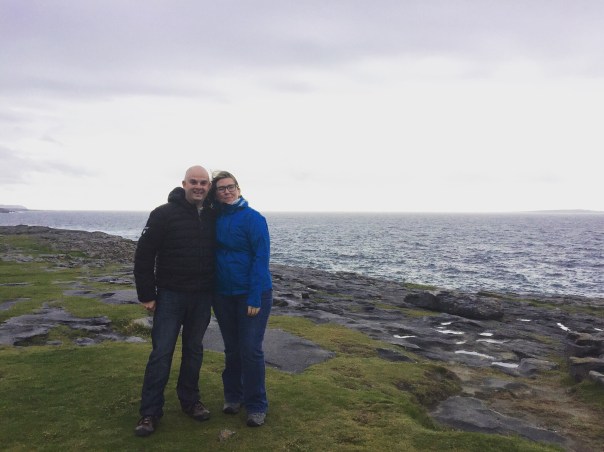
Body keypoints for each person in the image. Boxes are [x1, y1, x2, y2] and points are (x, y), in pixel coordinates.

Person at [133, 165, 216, 437]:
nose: (198, 186)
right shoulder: (163, 214)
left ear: (209, 186)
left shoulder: (213, 215)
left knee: (194, 351)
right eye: (194, 182)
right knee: (161, 353)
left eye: (203, 182)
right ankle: (149, 412)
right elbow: (144, 254)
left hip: (202, 296)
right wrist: (147, 294)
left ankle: (190, 401)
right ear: (184, 184)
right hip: (170, 295)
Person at [210, 170, 273, 427]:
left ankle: (256, 404)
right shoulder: (213, 217)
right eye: (221, 188)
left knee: (250, 349)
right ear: (215, 193)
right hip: (223, 294)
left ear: (238, 188)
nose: (227, 191)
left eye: (230, 186)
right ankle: (233, 396)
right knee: (232, 348)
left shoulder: (253, 218)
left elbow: (261, 258)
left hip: (252, 294)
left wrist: (255, 296)